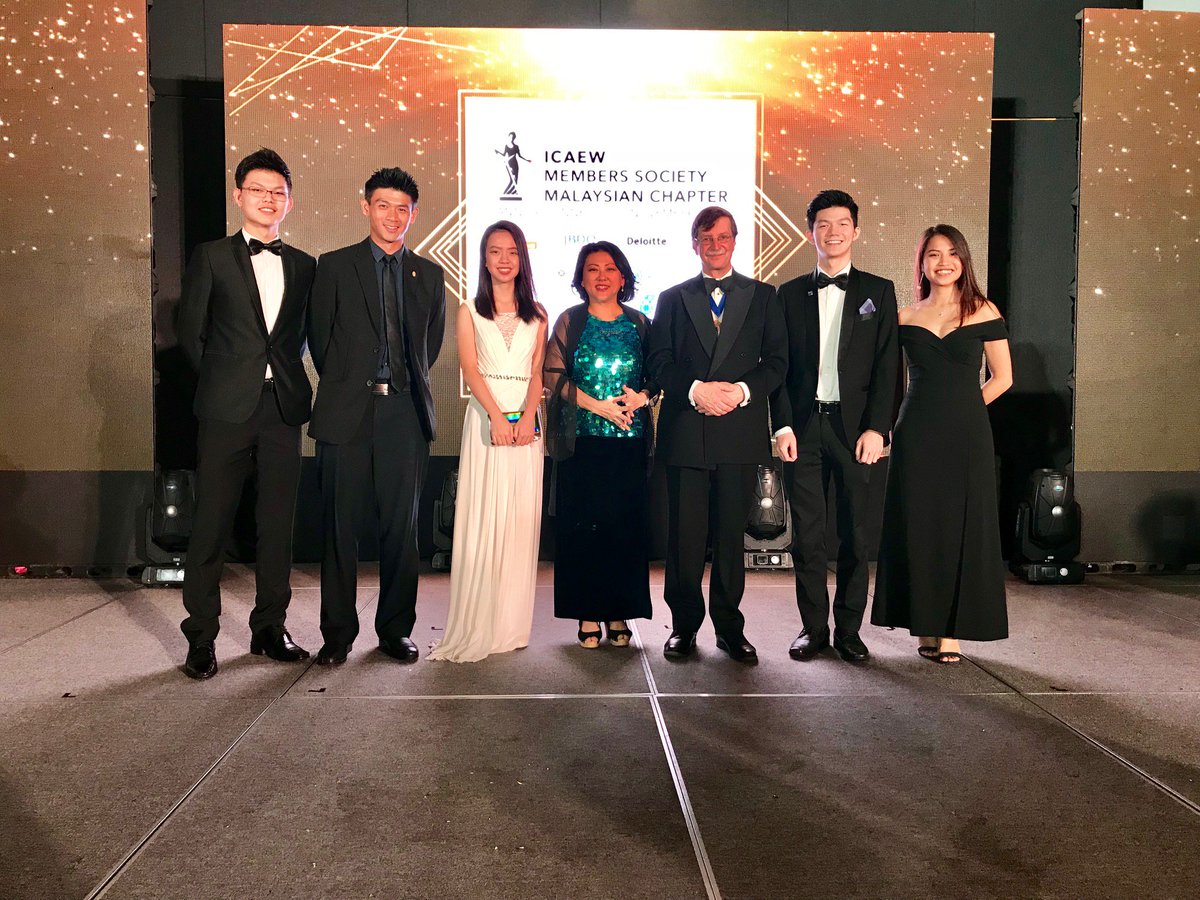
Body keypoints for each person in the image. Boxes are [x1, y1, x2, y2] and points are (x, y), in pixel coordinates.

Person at [176, 148, 316, 680]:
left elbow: (300, 337)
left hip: (282, 408)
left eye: (278, 192)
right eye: (258, 189)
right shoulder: (211, 256)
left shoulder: (304, 265)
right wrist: (226, 380)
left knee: (276, 526)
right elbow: (191, 334)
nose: (268, 199)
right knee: (210, 524)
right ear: (239, 196)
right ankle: (201, 638)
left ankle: (269, 629)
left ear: (289, 202)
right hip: (226, 410)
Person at [307, 167, 446, 665]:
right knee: (339, 529)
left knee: (401, 531)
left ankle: (394, 630)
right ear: (366, 207)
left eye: (402, 208)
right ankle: (337, 634)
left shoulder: (429, 275)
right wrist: (354, 384)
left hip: (404, 414)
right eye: (383, 205)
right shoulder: (334, 266)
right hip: (346, 411)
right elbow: (320, 341)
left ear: (414, 214)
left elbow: (428, 346)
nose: (392, 216)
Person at [646, 207, 787, 664]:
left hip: (739, 432)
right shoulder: (672, 298)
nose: (715, 245)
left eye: (723, 237)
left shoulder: (764, 296)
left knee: (730, 539)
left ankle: (729, 628)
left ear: (734, 241)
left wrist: (741, 392)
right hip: (687, 432)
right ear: (695, 244)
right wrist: (695, 390)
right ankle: (683, 626)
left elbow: (777, 363)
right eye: (706, 238)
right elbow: (659, 361)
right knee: (684, 540)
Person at [871, 225, 1013, 663]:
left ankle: (950, 632)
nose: (944, 262)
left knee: (962, 526)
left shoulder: (983, 310)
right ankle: (925, 625)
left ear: (964, 260)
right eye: (933, 254)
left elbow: (1003, 378)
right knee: (920, 527)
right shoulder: (905, 317)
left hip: (967, 434)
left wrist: (965, 408)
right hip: (915, 434)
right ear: (922, 263)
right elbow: (891, 383)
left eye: (952, 253)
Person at [771, 189, 900, 663]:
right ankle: (813, 629)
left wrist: (878, 429)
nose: (833, 232)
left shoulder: (878, 291)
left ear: (856, 231)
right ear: (811, 233)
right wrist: (782, 426)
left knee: (855, 535)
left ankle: (849, 630)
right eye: (823, 224)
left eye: (842, 223)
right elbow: (778, 368)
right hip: (804, 430)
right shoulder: (788, 294)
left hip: (856, 432)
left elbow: (889, 367)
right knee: (807, 537)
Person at [429, 221, 546, 662]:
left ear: (522, 258)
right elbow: (470, 369)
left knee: (519, 521)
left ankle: (511, 625)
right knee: (483, 520)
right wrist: (497, 416)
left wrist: (529, 417)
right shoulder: (469, 311)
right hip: (486, 419)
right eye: (495, 251)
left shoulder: (538, 313)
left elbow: (537, 375)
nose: (504, 259)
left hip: (527, 428)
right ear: (484, 258)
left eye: (512, 251)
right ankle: (479, 622)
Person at [544, 241, 657, 649]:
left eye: (610, 268)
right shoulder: (570, 321)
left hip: (629, 444)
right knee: (583, 531)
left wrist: (642, 397)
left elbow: (656, 375)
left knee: (623, 530)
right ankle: (588, 613)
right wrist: (599, 407)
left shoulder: (641, 323)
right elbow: (553, 375)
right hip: (582, 444)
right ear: (581, 279)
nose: (602, 276)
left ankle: (619, 612)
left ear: (623, 277)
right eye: (593, 269)